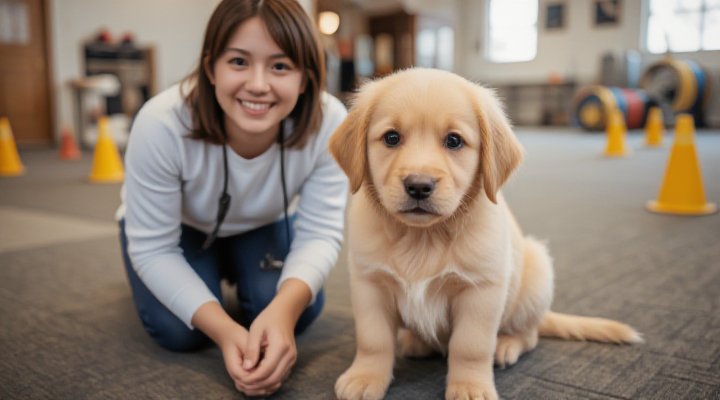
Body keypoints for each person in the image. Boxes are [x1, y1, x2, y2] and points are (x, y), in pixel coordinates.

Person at [116, 0, 348, 396]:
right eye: (239, 62)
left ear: (306, 77)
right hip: (179, 233)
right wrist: (224, 332)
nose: (258, 84)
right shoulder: (160, 123)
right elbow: (154, 248)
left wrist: (283, 311)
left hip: (263, 224)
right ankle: (210, 274)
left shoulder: (330, 122)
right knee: (179, 333)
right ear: (211, 68)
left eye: (280, 66)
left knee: (301, 311)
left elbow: (322, 231)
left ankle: (236, 277)